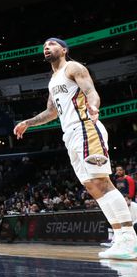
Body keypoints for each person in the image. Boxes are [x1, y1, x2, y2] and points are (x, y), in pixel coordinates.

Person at [15, 37, 137, 260]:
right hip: (70, 134)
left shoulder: (73, 67)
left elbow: (91, 92)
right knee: (92, 186)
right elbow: (51, 112)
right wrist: (28, 122)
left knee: (102, 182)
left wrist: (94, 106)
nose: (46, 47)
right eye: (44, 46)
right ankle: (120, 238)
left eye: (51, 44)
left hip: (85, 127)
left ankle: (130, 238)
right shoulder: (53, 80)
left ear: (63, 49)